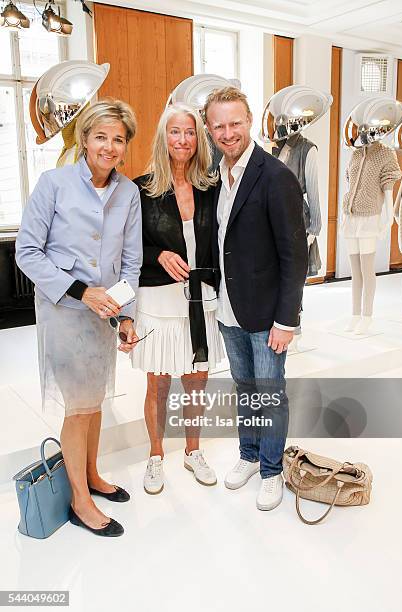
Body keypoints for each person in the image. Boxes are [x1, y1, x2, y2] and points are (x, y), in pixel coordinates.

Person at [15, 99, 142, 537]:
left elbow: (131, 260)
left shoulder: (128, 192)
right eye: (101, 136)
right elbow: (27, 252)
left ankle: (91, 473)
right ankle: (79, 500)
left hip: (104, 315)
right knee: (79, 406)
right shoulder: (53, 184)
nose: (109, 146)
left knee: (96, 399)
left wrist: (126, 316)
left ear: (126, 147)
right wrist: (81, 291)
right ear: (85, 139)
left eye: (118, 139)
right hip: (65, 311)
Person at [204, 87, 308, 511]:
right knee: (245, 388)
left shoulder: (275, 175)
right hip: (230, 307)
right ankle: (248, 455)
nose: (228, 133)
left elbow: (293, 253)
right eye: (219, 126)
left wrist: (287, 320)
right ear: (209, 130)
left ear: (249, 122)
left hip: (267, 314)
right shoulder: (217, 175)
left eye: (235, 123)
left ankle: (271, 469)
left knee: (269, 391)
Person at [131, 103, 224, 494]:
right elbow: (128, 249)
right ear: (163, 137)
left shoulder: (211, 187)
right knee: (158, 384)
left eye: (189, 132)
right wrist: (158, 255)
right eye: (175, 132)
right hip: (157, 301)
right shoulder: (141, 188)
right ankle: (155, 456)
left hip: (200, 299)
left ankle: (192, 452)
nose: (183, 139)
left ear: (198, 138)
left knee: (196, 381)